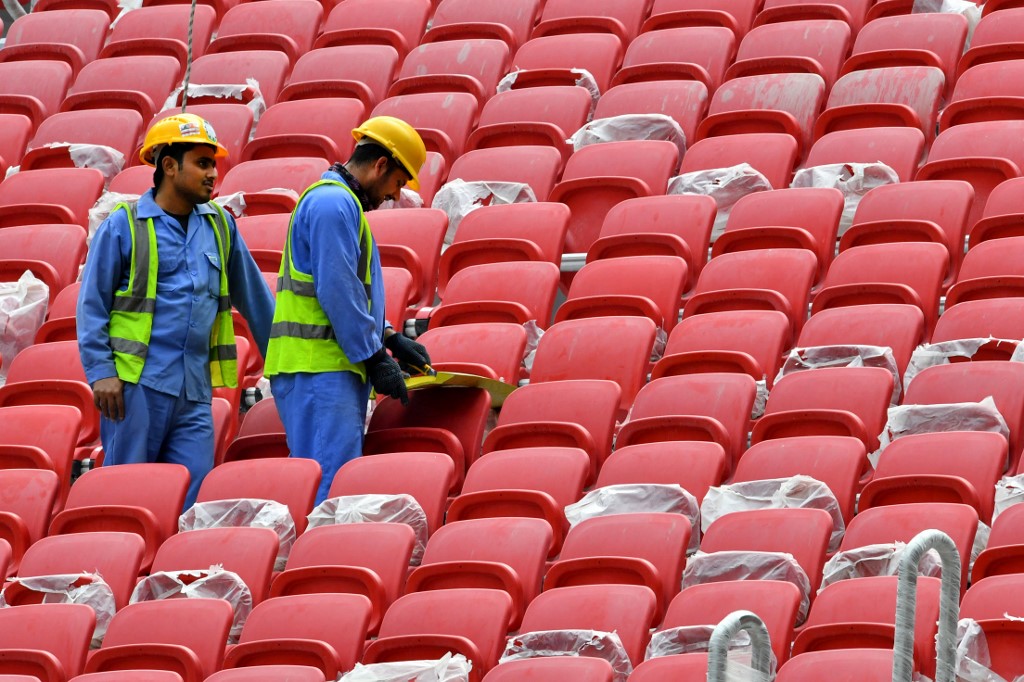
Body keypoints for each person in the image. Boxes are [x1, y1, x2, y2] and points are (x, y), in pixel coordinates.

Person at [77, 112, 276, 508]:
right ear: (169, 166)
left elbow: (256, 300)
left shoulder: (221, 225)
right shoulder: (124, 226)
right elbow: (91, 306)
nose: (213, 174)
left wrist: (285, 363)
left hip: (195, 392)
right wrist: (101, 373)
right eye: (202, 163)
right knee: (128, 499)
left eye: (213, 164)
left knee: (191, 502)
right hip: (135, 390)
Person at [264, 115, 432, 503]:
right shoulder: (333, 204)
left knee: (330, 485)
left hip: (325, 368)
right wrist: (374, 356)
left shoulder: (338, 203)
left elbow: (354, 290)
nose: (394, 194)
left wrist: (389, 337)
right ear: (380, 165)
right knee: (327, 490)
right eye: (398, 182)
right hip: (318, 368)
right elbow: (337, 290)